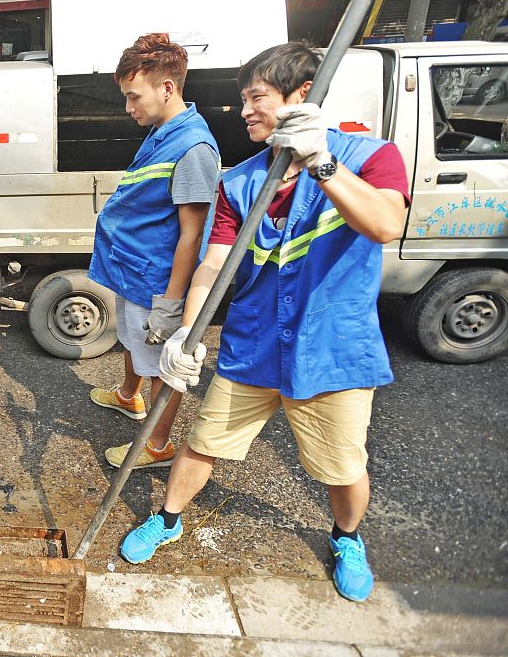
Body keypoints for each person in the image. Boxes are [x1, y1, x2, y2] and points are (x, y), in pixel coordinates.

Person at [120, 42, 410, 604]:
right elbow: (212, 262)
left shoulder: (371, 158)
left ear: (304, 96)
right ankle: (169, 518)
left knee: (342, 464)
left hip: (330, 348)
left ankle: (347, 539)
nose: (245, 111)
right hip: (253, 342)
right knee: (204, 442)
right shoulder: (242, 181)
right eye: (244, 99)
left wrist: (321, 164)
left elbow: (383, 224)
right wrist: (189, 328)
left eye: (258, 97)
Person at [88, 34, 219, 470]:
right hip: (132, 268)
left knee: (163, 357)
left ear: (167, 88)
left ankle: (158, 443)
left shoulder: (194, 148)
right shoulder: (164, 130)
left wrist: (170, 304)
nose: (128, 108)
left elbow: (192, 234)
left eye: (133, 97)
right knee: (132, 339)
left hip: (156, 277)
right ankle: (129, 397)